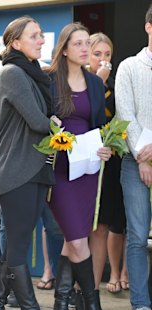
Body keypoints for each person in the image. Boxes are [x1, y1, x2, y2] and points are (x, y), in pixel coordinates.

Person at [0, 16, 58, 310]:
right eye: (35, 36)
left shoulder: (32, 74)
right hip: (16, 171)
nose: (41, 40)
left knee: (19, 243)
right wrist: (55, 124)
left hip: (34, 168)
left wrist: (52, 122)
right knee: (17, 246)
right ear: (15, 42)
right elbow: (39, 121)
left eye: (41, 35)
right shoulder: (12, 72)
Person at [45, 23, 110, 310]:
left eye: (87, 43)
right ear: (65, 48)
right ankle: (91, 304)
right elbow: (38, 120)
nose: (85, 49)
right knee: (76, 238)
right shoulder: (48, 80)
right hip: (58, 168)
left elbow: (99, 126)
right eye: (79, 44)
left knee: (75, 239)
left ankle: (61, 304)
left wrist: (105, 149)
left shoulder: (96, 83)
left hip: (87, 168)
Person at [116, 4, 152, 310]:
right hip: (133, 162)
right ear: (149, 28)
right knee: (138, 236)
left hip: (146, 157)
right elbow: (125, 116)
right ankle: (142, 306)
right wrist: (145, 157)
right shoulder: (129, 67)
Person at [85, 32, 128, 296]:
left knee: (102, 225)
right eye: (97, 54)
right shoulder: (80, 82)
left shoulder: (116, 84)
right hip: (82, 160)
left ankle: (91, 291)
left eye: (107, 55)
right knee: (78, 228)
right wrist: (97, 83)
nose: (103, 60)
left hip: (109, 163)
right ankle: (74, 286)